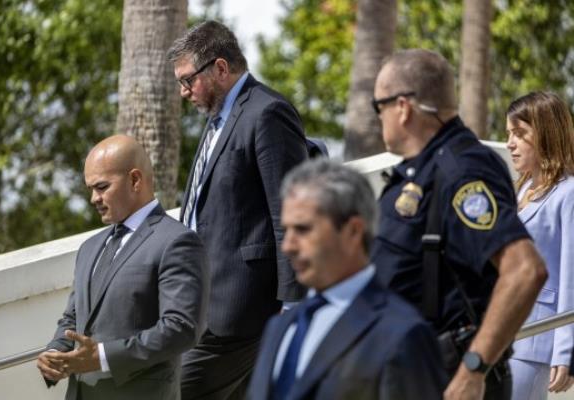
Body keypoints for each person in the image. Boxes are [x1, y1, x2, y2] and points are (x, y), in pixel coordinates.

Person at [370, 49, 547, 400]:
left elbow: (524, 270)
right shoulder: (424, 167)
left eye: (379, 108)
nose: (378, 119)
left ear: (403, 107)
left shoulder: (461, 169)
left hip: (445, 376)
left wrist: (473, 369)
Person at [167, 20, 308, 399]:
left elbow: (292, 215)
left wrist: (292, 306)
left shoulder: (267, 113)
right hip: (204, 306)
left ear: (220, 68)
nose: (184, 92)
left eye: (187, 81)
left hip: (244, 312)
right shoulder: (218, 119)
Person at [247, 159, 447, 400]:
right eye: (286, 230)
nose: (288, 246)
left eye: (303, 230)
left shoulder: (402, 334)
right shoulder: (278, 328)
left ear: (353, 231)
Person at [36, 135, 209, 400]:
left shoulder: (176, 241)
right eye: (91, 189)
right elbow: (74, 317)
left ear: (135, 180)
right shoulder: (89, 248)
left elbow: (181, 328)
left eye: (102, 187)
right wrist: (56, 352)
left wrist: (103, 356)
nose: (94, 198)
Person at [505, 91, 574, 399]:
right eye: (508, 134)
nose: (510, 143)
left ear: (546, 134)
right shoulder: (522, 192)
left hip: (535, 341)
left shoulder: (568, 192)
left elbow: (571, 275)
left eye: (519, 134)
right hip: (504, 335)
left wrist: (565, 350)